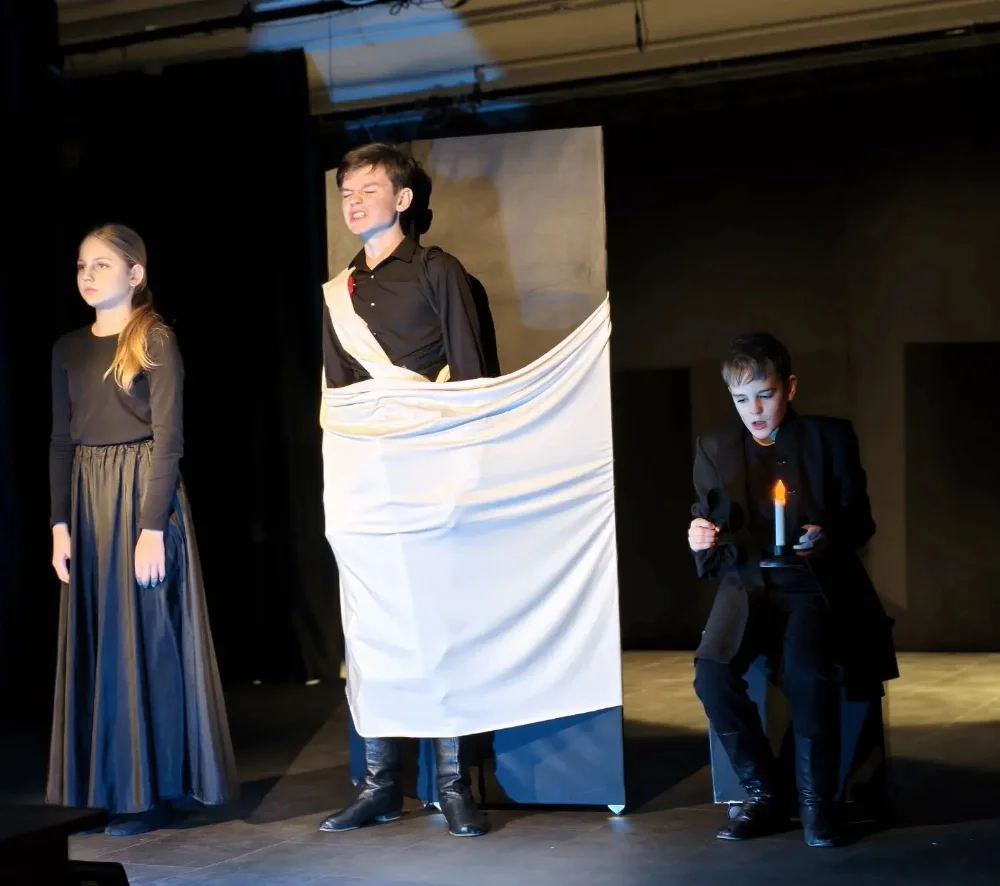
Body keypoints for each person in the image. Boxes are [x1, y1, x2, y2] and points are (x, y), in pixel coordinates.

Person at [318, 142, 494, 838]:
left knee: (442, 626)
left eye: (368, 189)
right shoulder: (338, 292)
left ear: (402, 198)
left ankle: (451, 784)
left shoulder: (437, 270)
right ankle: (380, 785)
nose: (354, 202)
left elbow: (473, 377)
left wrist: (467, 477)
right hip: (369, 474)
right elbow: (338, 397)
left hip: (431, 466)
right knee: (373, 629)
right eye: (346, 193)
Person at [47, 223, 239, 836]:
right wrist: (59, 523)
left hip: (140, 499)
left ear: (135, 274)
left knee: (146, 642)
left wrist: (152, 527)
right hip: (88, 501)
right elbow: (60, 440)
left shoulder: (154, 338)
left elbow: (169, 439)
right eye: (82, 265)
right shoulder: (67, 348)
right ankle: (106, 787)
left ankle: (149, 792)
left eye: (102, 265)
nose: (87, 275)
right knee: (103, 646)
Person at [687, 333, 897, 848]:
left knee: (808, 675)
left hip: (810, 582)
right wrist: (699, 537)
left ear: (790, 387)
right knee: (712, 673)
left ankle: (814, 804)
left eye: (765, 395)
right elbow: (709, 534)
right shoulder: (714, 448)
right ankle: (764, 794)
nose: (754, 411)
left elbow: (861, 521)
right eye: (741, 399)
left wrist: (827, 536)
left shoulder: (830, 438)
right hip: (746, 580)